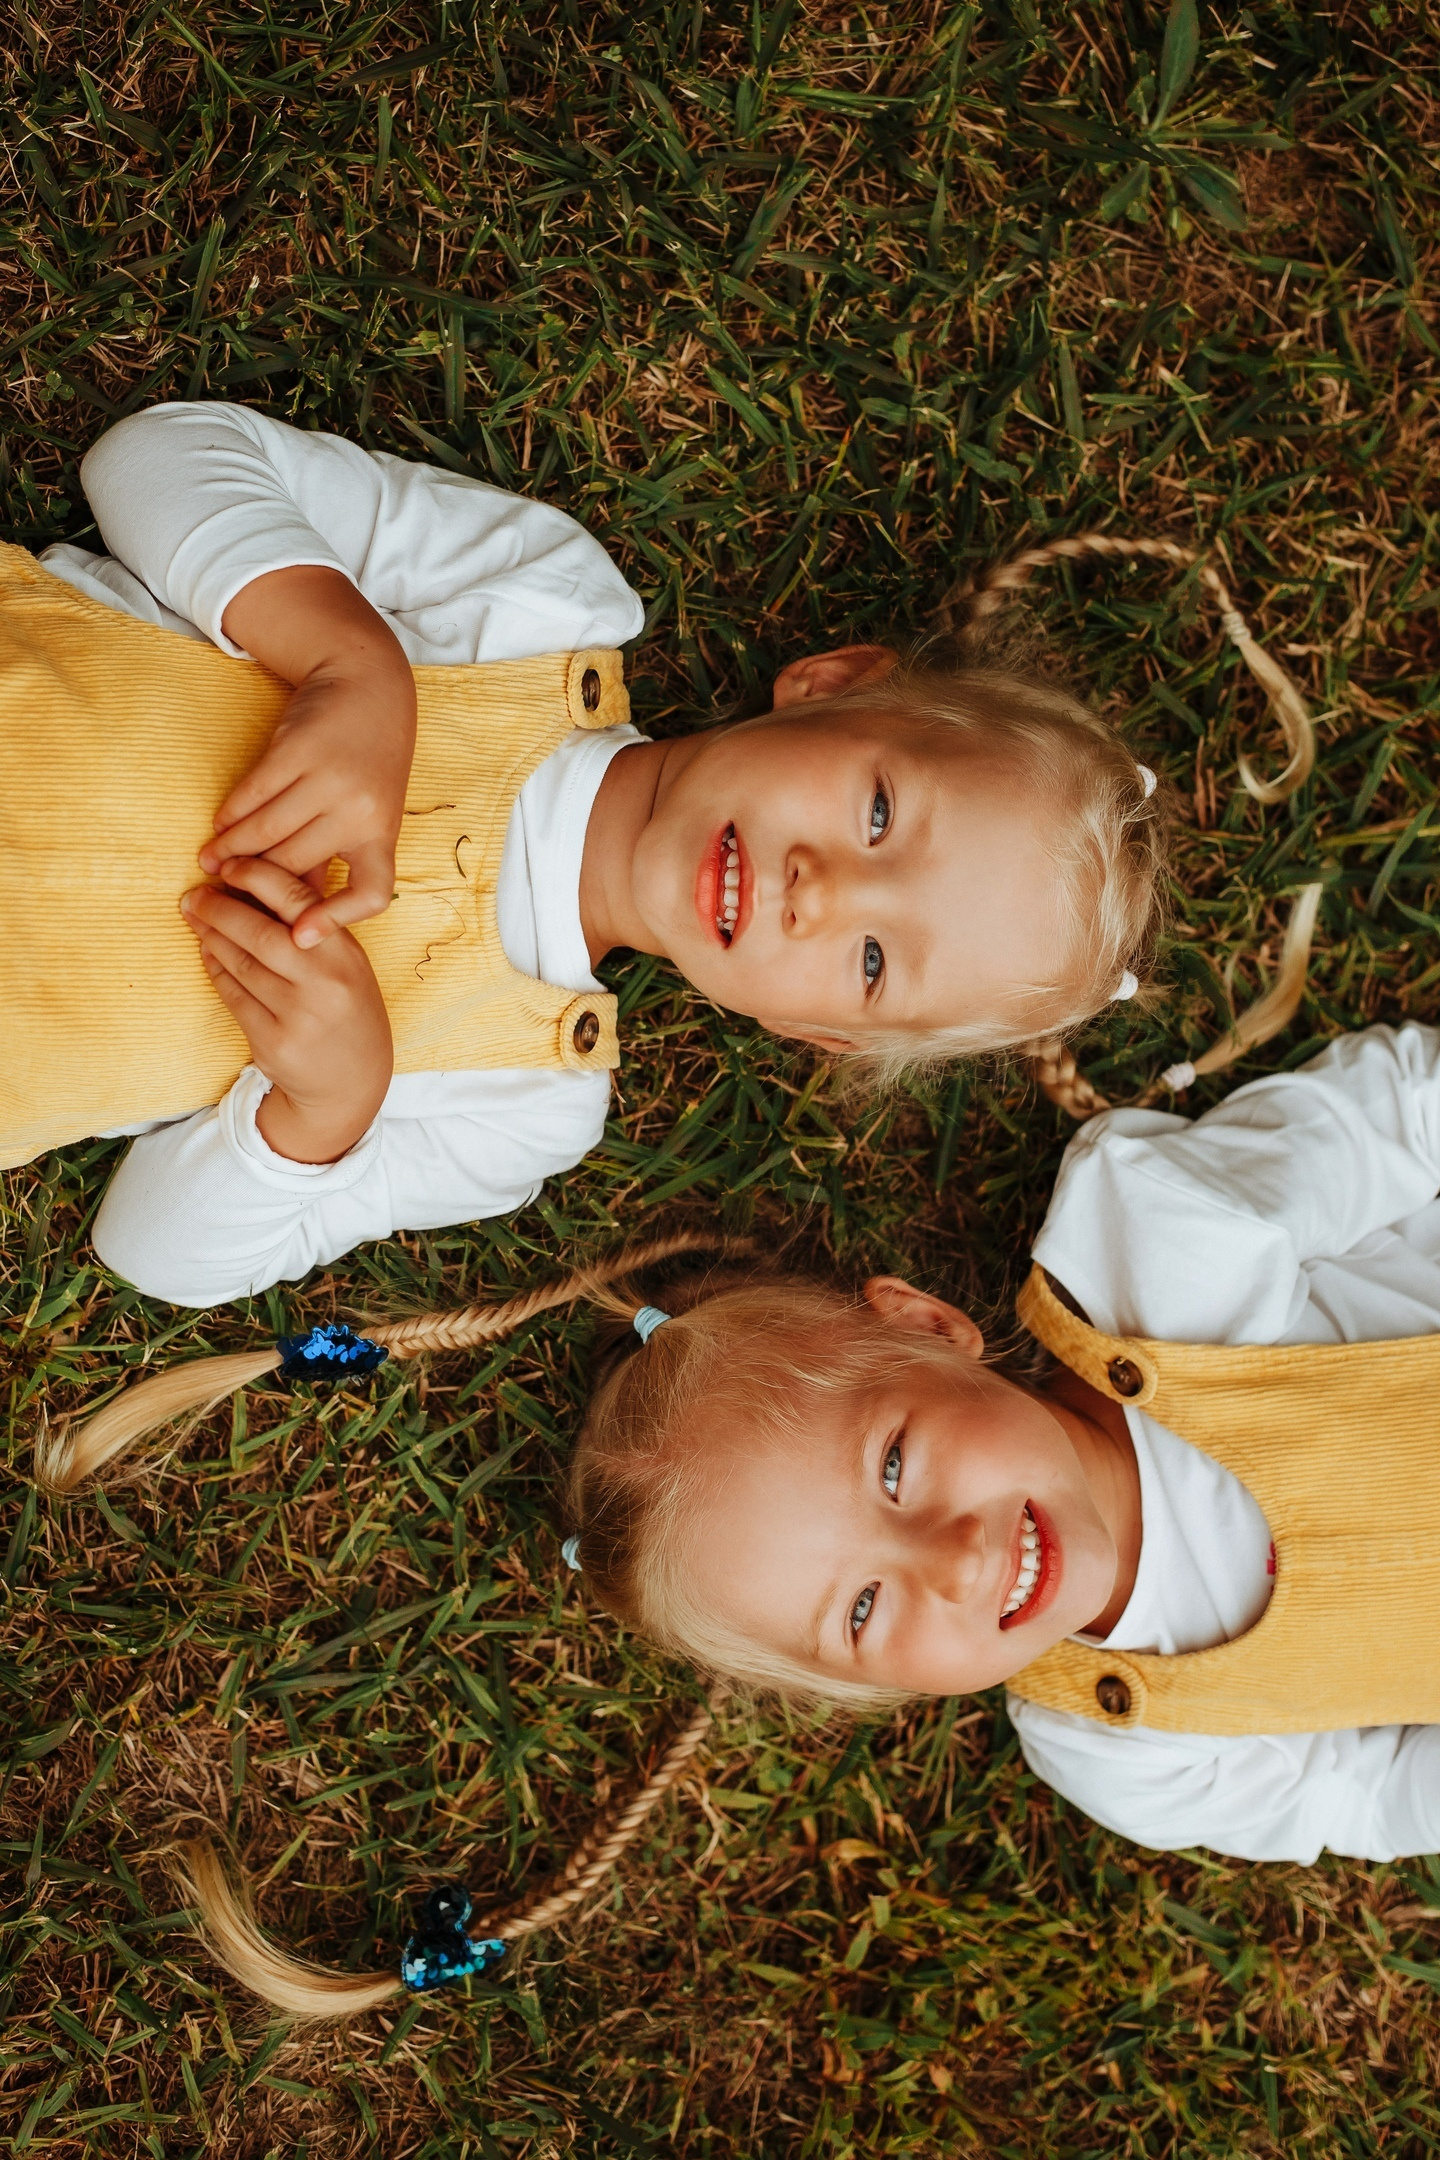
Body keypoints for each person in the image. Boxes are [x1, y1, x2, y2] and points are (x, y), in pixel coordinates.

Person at [44, 1024, 1440, 2018]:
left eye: (896, 1466)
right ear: (857, 1688)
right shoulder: (1127, 1751)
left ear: (931, 1326)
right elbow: (1370, 1796)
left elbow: (1399, 1114)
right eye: (863, 1610)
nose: (954, 1557)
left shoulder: (1157, 1254)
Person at [8, 401, 1182, 1304]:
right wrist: (347, 663)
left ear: (814, 1034)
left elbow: (155, 1254)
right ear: (836, 684)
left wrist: (326, 1107)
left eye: (874, 961)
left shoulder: (523, 1110)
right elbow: (158, 454)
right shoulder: (540, 604)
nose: (821, 892)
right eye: (880, 815)